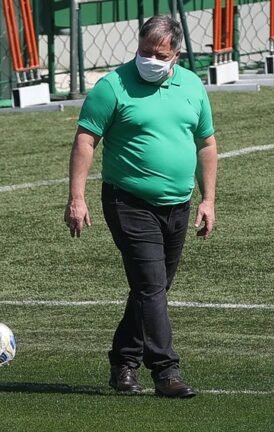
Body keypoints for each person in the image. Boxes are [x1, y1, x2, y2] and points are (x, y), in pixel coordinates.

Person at [63, 15, 217, 398]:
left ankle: (123, 362)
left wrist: (208, 199)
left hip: (179, 205)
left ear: (176, 56)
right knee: (151, 287)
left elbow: (206, 144)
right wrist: (76, 198)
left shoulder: (192, 86)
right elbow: (85, 141)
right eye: (145, 51)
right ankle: (166, 370)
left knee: (153, 289)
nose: (150, 59)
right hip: (128, 201)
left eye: (159, 54)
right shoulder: (112, 87)